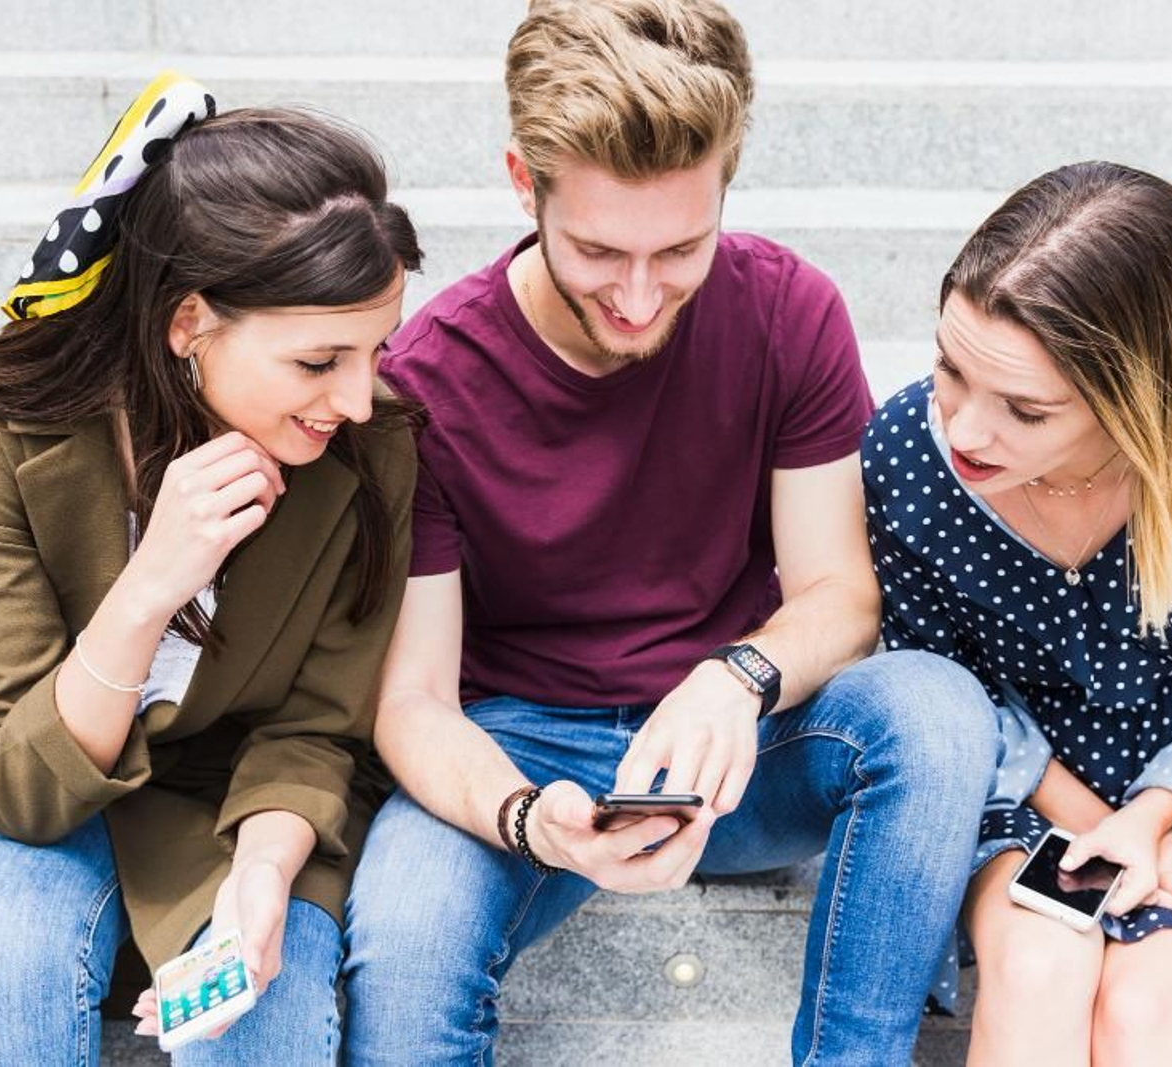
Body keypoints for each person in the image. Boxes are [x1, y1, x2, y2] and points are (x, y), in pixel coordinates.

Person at [338, 2, 1000, 1063]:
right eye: (599, 250)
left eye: (681, 248)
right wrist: (522, 816)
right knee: (405, 947)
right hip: (519, 745)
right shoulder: (426, 380)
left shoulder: (788, 311)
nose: (641, 296)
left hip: (742, 742)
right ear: (523, 182)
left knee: (936, 711)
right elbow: (411, 699)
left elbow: (839, 592)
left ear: (726, 179)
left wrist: (733, 676)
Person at [0, 73, 422, 1065]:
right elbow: (14, 783)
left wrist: (264, 881)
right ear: (189, 322)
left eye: (376, 349)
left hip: (245, 812)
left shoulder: (377, 448)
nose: (359, 397)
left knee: (262, 1024)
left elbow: (317, 730)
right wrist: (151, 586)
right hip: (57, 799)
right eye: (320, 362)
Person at [863, 160, 1172, 1066]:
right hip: (1017, 780)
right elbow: (939, 683)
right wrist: (1106, 826)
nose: (966, 430)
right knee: (1039, 968)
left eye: (1025, 409)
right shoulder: (909, 453)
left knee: (1139, 1012)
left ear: (1134, 394)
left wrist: (1159, 818)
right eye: (949, 367)